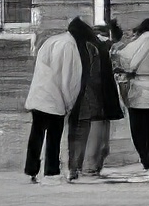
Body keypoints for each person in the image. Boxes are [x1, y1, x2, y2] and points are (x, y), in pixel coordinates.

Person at [111, 10, 149, 180]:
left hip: (140, 90)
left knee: (139, 129)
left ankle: (146, 162)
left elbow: (127, 59)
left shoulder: (144, 41)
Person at [64, 16, 123, 181]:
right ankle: (89, 167)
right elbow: (95, 75)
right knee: (94, 133)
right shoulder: (95, 46)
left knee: (80, 133)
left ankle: (78, 167)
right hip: (96, 97)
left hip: (83, 96)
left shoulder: (82, 46)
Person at [24, 18, 83, 180]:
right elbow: (66, 78)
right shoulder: (69, 46)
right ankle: (51, 169)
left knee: (36, 133)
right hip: (55, 99)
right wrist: (69, 102)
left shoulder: (52, 41)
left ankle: (31, 168)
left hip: (39, 95)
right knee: (53, 137)